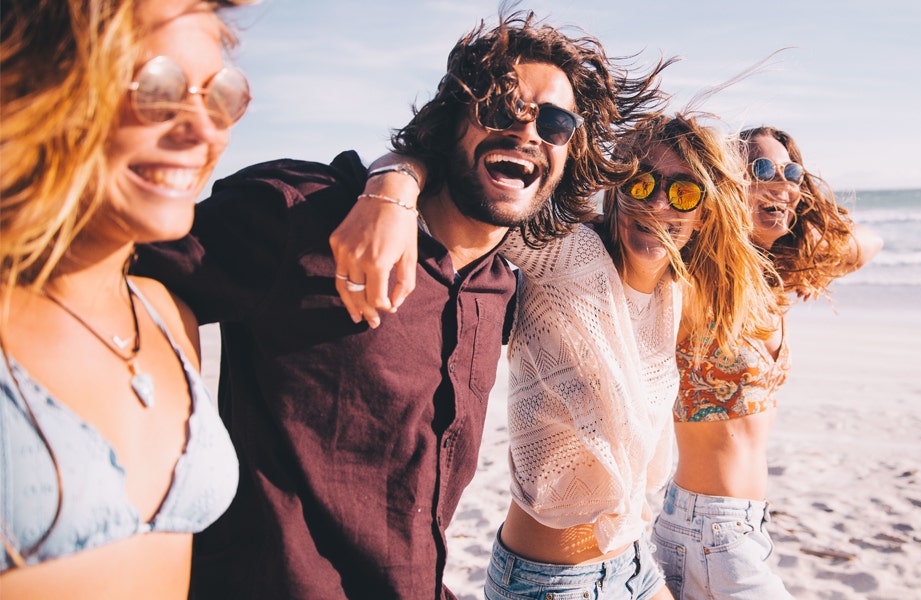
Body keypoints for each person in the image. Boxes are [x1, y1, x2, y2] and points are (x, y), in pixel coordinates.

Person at [131, 11, 668, 600]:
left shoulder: (502, 289)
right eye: (498, 106)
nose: (526, 130)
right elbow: (104, 267)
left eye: (555, 122)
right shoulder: (302, 218)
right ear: (449, 121)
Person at [348, 112, 776, 599]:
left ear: (705, 212)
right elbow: (465, 190)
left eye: (684, 192)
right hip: (552, 584)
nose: (658, 203)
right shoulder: (570, 255)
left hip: (637, 566)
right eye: (641, 183)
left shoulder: (675, 291)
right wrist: (393, 186)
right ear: (617, 187)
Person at [0, 0, 251, 597]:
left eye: (220, 95)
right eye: (158, 90)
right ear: (42, 87)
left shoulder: (167, 314)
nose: (205, 130)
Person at [651, 125, 883, 599]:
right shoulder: (695, 280)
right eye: (760, 169)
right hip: (713, 529)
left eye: (791, 172)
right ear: (727, 184)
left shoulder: (767, 284)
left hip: (732, 524)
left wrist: (805, 243)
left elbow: (869, 241)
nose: (781, 181)